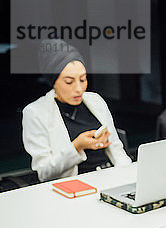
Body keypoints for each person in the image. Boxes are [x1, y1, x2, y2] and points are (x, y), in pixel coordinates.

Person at [22, 40, 131, 182]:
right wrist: (77, 146)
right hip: (75, 186)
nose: (79, 88)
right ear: (53, 81)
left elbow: (117, 149)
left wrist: (129, 177)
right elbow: (44, 172)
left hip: (110, 177)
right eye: (69, 82)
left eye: (83, 79)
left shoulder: (95, 100)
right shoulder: (35, 112)